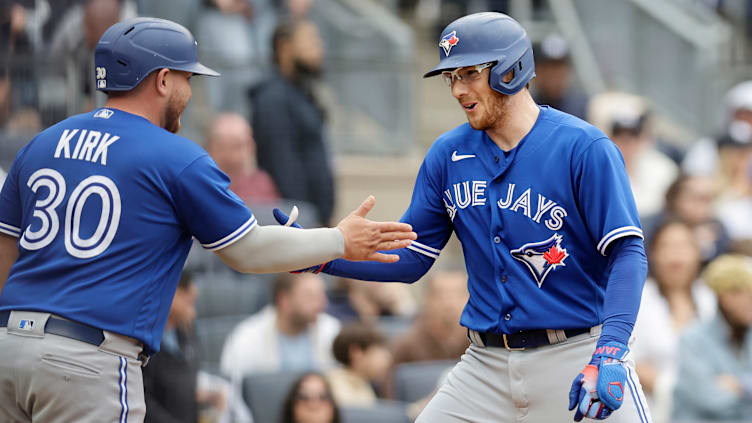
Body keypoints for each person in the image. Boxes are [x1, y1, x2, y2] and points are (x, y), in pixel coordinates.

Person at [0, 17, 415, 423]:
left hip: (8, 348)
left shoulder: (41, 143)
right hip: (85, 361)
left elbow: (4, 255)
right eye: (187, 79)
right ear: (162, 80)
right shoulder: (176, 156)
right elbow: (247, 251)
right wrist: (339, 240)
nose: (190, 92)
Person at [275, 12, 652, 422]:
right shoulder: (447, 154)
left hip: (577, 353)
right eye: (450, 77)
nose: (457, 89)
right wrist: (320, 253)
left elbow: (627, 254)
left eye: (470, 73)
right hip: (484, 367)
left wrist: (611, 349)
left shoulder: (584, 147)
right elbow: (411, 258)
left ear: (512, 69)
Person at [249, 17, 335, 225]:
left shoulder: (302, 93)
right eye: (311, 41)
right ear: (284, 46)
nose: (319, 49)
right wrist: (301, 222)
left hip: (313, 219)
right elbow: (281, 164)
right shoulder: (272, 98)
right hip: (297, 220)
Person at [631, 220, 716, 423]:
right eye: (666, 246)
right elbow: (629, 358)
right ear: (652, 254)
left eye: (684, 245)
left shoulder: (711, 298)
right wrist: (673, 390)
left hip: (715, 408)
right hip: (654, 409)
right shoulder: (638, 300)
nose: (675, 254)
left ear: (698, 252)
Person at [672, 254, 752, 421]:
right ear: (727, 297)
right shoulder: (692, 340)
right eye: (748, 295)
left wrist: (740, 385)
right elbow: (711, 399)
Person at [143, 271, 227, 423]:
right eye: (187, 299)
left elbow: (187, 377)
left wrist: (205, 395)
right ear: (170, 292)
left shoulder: (187, 329)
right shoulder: (143, 339)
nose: (192, 310)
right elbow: (144, 401)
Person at [220, 273, 341, 377]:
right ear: (284, 299)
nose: (322, 304)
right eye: (310, 296)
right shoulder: (246, 337)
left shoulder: (333, 331)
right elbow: (233, 391)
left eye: (322, 296)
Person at [390, 269, 469, 365]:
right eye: (441, 295)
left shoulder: (481, 345)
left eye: (458, 294)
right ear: (427, 299)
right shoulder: (407, 346)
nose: (449, 302)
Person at [206, 112, 280, 204]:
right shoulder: (199, 186)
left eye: (239, 146)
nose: (233, 157)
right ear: (210, 149)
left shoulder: (262, 184)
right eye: (223, 147)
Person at [326, 323, 393, 407]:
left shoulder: (364, 384)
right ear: (356, 353)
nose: (387, 358)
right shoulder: (338, 390)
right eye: (379, 351)